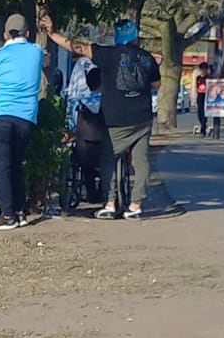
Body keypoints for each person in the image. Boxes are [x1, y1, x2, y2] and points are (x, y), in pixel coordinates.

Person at [41, 13, 160, 218]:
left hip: (116, 120)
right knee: (141, 161)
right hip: (142, 118)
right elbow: (156, 85)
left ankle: (110, 203)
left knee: (108, 159)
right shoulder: (146, 57)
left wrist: (52, 33)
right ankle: (135, 205)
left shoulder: (107, 54)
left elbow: (76, 46)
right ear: (135, 36)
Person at [0, 11, 45, 229]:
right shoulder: (36, 51)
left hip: (1, 114)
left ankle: (8, 215)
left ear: (4, 34)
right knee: (17, 164)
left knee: (3, 166)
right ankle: (20, 211)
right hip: (26, 117)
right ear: (27, 33)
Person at [65, 53, 106, 205]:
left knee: (83, 162)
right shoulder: (107, 101)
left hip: (84, 149)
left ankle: (90, 191)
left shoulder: (79, 101)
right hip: (105, 146)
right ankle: (104, 191)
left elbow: (72, 125)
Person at [194, 66, 208, 135]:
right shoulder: (198, 78)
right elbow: (197, 87)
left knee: (204, 113)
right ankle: (203, 126)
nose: (203, 71)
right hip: (200, 96)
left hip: (206, 96)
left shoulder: (208, 78)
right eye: (202, 69)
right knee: (199, 113)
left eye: (204, 69)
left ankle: (203, 128)